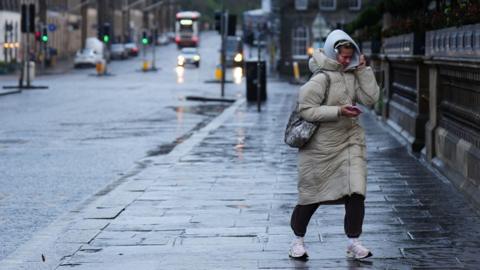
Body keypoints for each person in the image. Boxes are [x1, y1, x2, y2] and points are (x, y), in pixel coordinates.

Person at [288, 29, 380, 260]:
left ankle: (354, 241)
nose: (345, 60)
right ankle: (297, 241)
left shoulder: (352, 74)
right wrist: (338, 111)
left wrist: (363, 70)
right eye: (342, 56)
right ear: (331, 51)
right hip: (320, 148)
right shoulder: (321, 78)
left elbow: (371, 99)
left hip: (350, 143)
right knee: (311, 196)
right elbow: (306, 110)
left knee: (356, 191)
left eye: (350, 56)